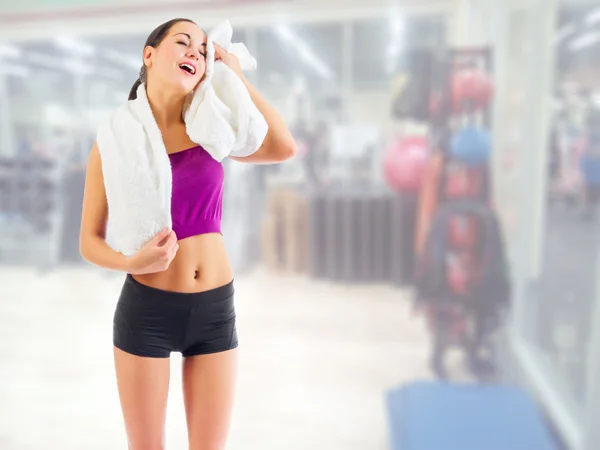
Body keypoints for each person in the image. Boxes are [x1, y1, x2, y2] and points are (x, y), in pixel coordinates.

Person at [79, 18, 296, 450]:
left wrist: (234, 75)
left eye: (202, 48)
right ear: (149, 54)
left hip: (215, 309)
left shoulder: (210, 128)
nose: (196, 52)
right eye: (184, 43)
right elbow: (89, 240)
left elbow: (282, 146)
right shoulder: (114, 141)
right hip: (148, 310)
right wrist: (130, 262)